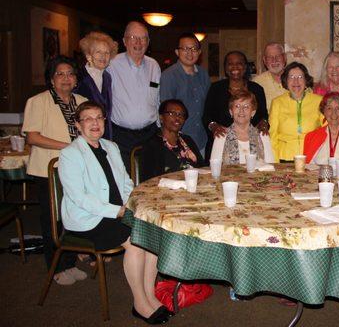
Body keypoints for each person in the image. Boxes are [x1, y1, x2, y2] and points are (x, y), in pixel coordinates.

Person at [58, 101, 171, 324]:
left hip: (118, 211)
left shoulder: (111, 146)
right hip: (89, 218)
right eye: (88, 119)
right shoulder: (69, 154)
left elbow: (125, 182)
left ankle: (150, 294)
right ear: (78, 126)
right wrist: (118, 211)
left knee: (154, 233)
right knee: (135, 241)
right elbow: (80, 198)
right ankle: (140, 303)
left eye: (99, 118)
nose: (94, 123)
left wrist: (134, 202)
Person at [21, 56, 88, 285]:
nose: (66, 78)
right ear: (51, 79)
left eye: (70, 73)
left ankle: (69, 263)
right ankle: (55, 267)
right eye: (60, 74)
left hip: (75, 170)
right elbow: (32, 136)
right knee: (52, 220)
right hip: (48, 170)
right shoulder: (38, 101)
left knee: (70, 217)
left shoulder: (82, 101)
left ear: (76, 79)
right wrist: (67, 147)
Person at [107, 21, 161, 172]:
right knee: (125, 179)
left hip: (150, 134)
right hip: (122, 136)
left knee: (151, 177)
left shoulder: (154, 65)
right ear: (124, 41)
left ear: (148, 42)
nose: (138, 42)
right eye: (133, 37)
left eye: (143, 38)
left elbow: (156, 97)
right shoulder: (111, 64)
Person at [203, 51, 268, 158]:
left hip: (250, 144)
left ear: (245, 67)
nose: (235, 67)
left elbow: (263, 115)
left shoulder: (257, 89)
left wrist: (263, 123)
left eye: (239, 63)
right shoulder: (216, 88)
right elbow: (207, 116)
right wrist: (213, 125)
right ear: (225, 68)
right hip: (221, 143)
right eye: (230, 64)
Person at [160, 32, 210, 154]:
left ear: (199, 52)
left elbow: (208, 105)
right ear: (177, 52)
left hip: (201, 139)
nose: (190, 53)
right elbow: (167, 113)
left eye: (194, 49)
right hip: (178, 140)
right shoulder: (169, 76)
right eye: (185, 49)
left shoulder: (203, 74)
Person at [140, 99, 205, 183]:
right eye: (172, 113)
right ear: (161, 117)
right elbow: (149, 180)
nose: (178, 118)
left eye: (181, 114)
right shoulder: (151, 145)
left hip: (193, 186)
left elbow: (202, 168)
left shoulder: (187, 140)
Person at [269, 62, 322, 162]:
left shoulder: (319, 101)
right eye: (291, 77)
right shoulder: (277, 103)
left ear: (306, 80)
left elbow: (325, 132)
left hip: (312, 157)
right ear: (286, 80)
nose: (296, 81)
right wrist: (275, 162)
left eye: (300, 77)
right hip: (285, 157)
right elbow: (273, 135)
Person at [210, 91, 275, 165]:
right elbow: (214, 167)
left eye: (246, 106)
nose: (241, 110)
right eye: (237, 106)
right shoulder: (221, 136)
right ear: (231, 111)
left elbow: (270, 166)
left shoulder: (262, 135)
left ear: (253, 112)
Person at [75, 31, 118, 139]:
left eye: (107, 53)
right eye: (98, 52)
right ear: (88, 56)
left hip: (105, 132)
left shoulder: (107, 77)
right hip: (85, 133)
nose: (103, 56)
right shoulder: (78, 77)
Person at [253, 42, 287, 110]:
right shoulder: (256, 82)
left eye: (278, 56)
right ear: (264, 60)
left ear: (284, 57)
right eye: (270, 57)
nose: (274, 60)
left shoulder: (297, 80)